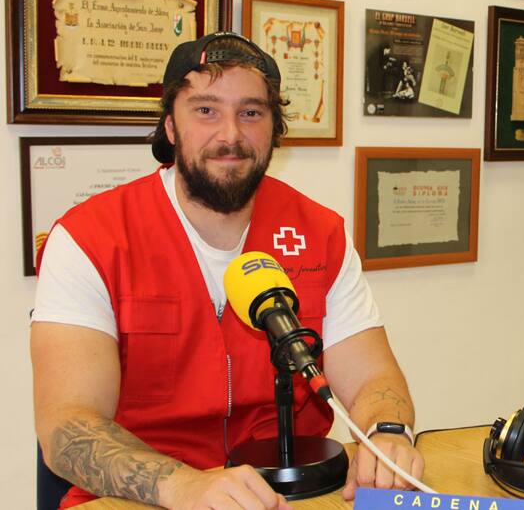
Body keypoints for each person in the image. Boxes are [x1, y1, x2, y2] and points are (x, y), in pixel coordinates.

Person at [31, 32, 424, 509]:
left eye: (251, 113)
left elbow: (372, 380)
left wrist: (387, 432)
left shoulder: (321, 232)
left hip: (294, 494)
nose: (231, 135)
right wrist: (183, 484)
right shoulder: (88, 239)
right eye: (205, 110)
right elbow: (67, 428)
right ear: (171, 127)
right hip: (141, 497)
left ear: (275, 128)